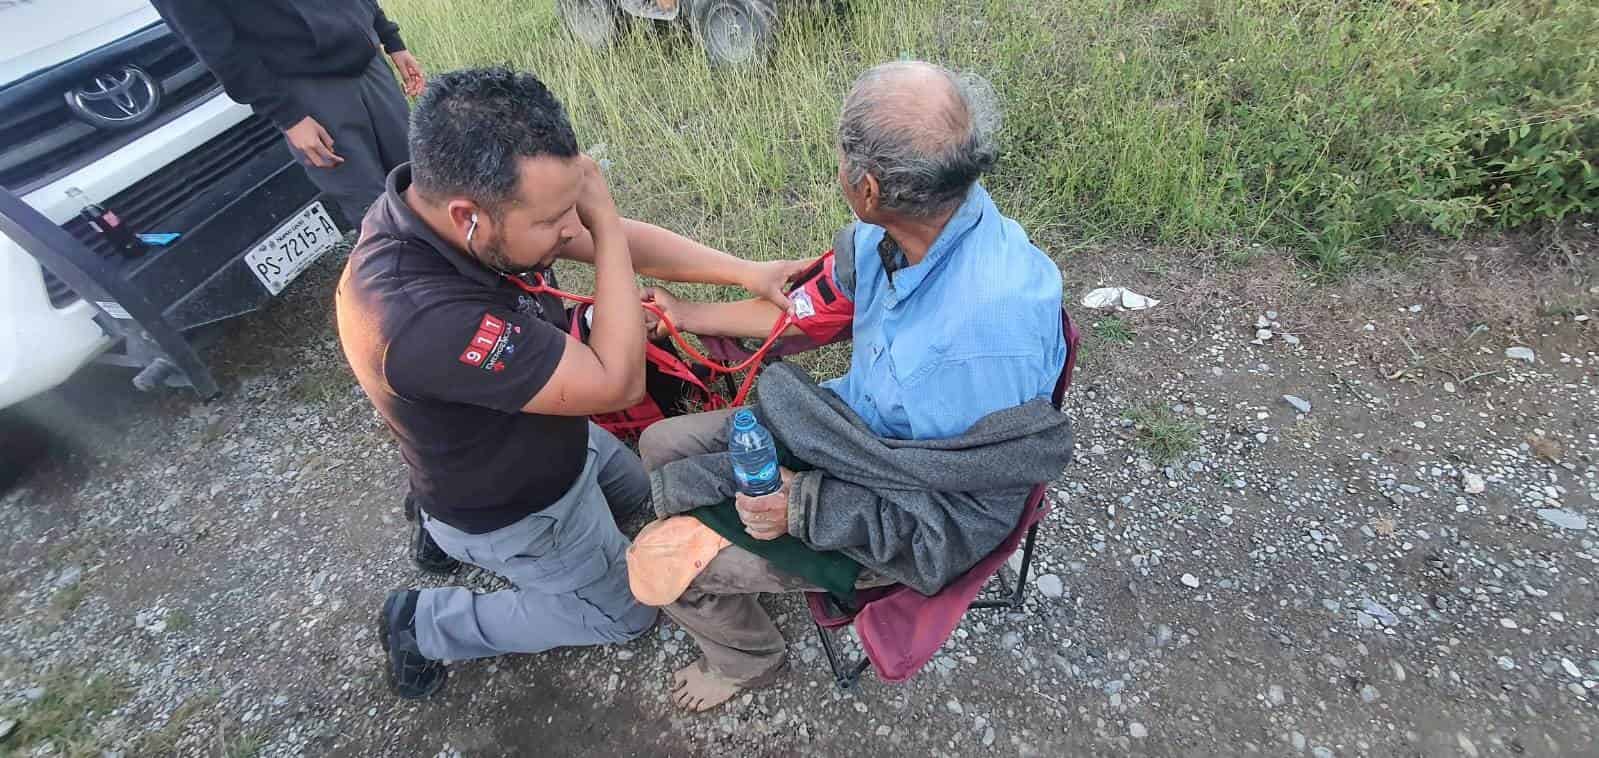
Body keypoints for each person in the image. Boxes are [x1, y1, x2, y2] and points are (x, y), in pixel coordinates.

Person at [334, 67, 808, 699]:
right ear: (467, 216)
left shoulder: (442, 212)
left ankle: (436, 526)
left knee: (646, 490)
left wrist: (748, 272)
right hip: (517, 502)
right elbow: (618, 383)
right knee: (627, 612)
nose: (571, 231)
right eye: (557, 219)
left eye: (573, 211)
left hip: (554, 434)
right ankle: (424, 623)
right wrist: (604, 223)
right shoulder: (419, 319)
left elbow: (607, 242)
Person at [636, 61, 1071, 711]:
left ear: (864, 186)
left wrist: (805, 506)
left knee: (661, 566)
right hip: (852, 433)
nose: (835, 168)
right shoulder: (893, 236)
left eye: (839, 156)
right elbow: (803, 313)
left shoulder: (983, 339)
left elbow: (957, 522)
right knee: (660, 445)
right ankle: (743, 559)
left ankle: (747, 661)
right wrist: (687, 314)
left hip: (894, 511)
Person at [151, 0, 428, 226]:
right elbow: (215, 45)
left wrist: (391, 39)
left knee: (424, 182)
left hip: (368, 63)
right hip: (307, 92)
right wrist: (289, 116)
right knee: (378, 213)